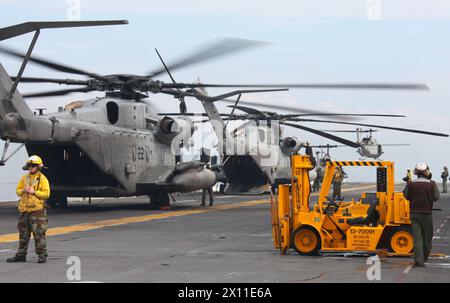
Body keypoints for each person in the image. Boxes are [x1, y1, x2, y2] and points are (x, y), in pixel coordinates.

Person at [7, 155, 50, 264]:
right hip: (24, 210)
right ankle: (21, 255)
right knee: (23, 234)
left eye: (34, 165)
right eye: (30, 165)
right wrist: (23, 191)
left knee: (39, 234)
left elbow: (46, 194)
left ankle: (42, 255)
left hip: (37, 211)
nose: (31, 167)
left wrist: (34, 192)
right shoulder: (24, 178)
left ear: (38, 167)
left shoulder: (43, 179)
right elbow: (18, 190)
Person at [403, 163, 440, 267]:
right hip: (427, 214)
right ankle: (424, 258)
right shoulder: (432, 184)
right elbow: (436, 197)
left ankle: (418, 260)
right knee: (427, 238)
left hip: (414, 214)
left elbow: (406, 196)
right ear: (426, 171)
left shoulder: (411, 184)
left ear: (416, 172)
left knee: (417, 237)